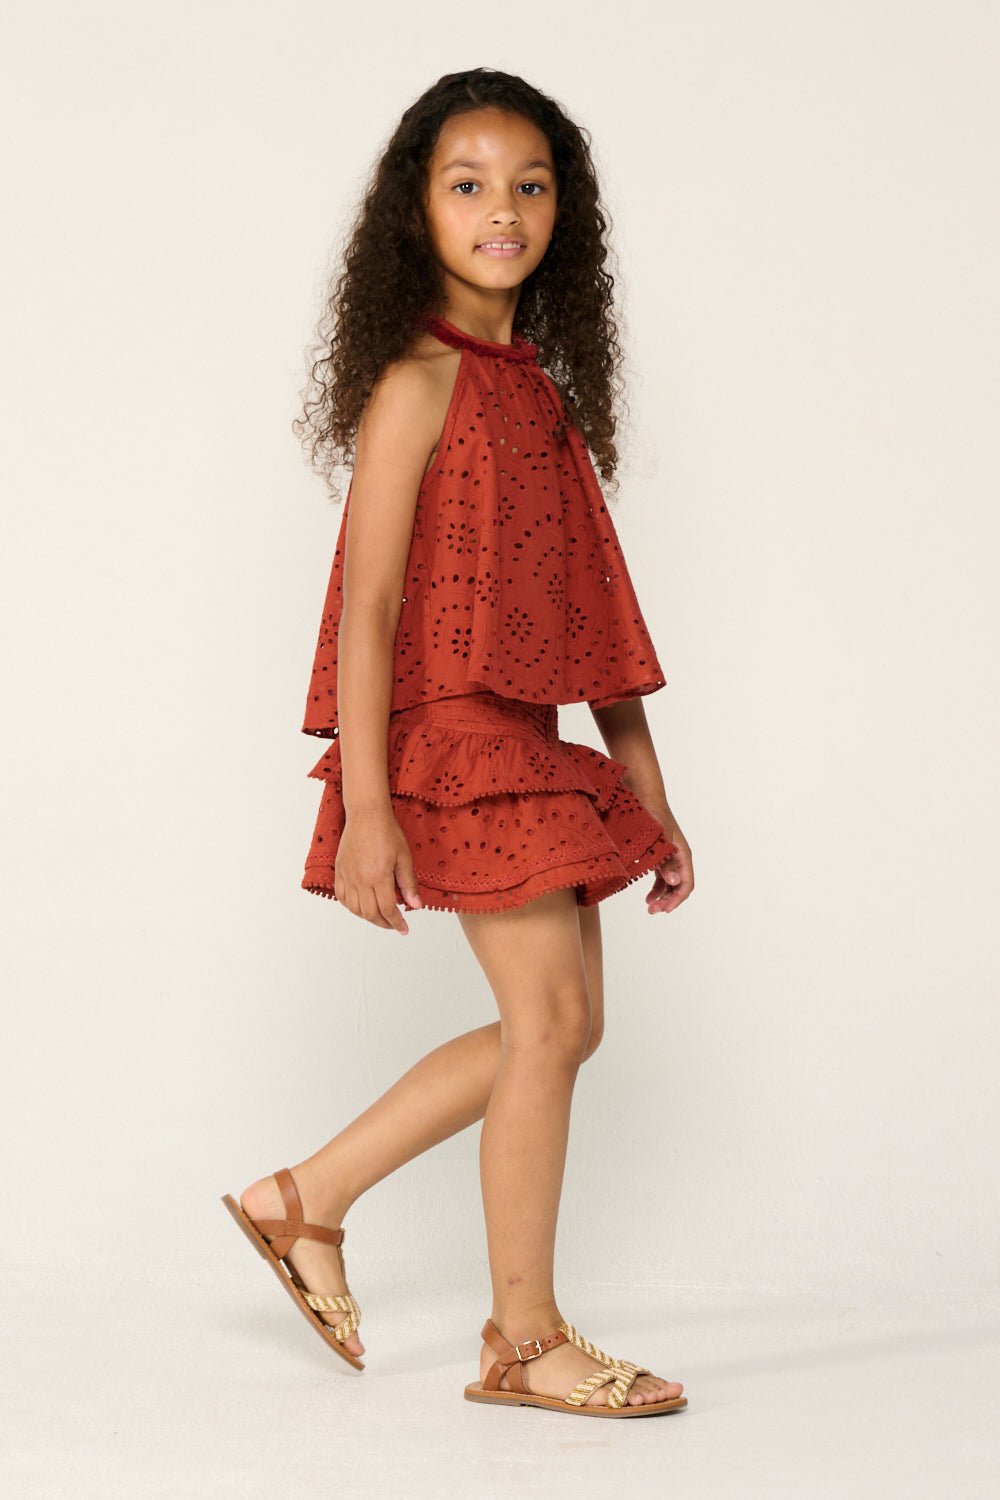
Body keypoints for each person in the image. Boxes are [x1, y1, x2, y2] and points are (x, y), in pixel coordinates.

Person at [222, 67, 694, 1419]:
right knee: (549, 1023)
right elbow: (368, 610)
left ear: (564, 212)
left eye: (530, 185)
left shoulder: (538, 393)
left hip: (530, 741)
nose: (503, 210)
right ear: (416, 211)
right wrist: (369, 809)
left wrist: (650, 793)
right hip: (449, 743)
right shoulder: (417, 384)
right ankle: (522, 1340)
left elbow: (597, 616)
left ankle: (305, 1198)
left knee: (565, 1027)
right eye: (469, 184)